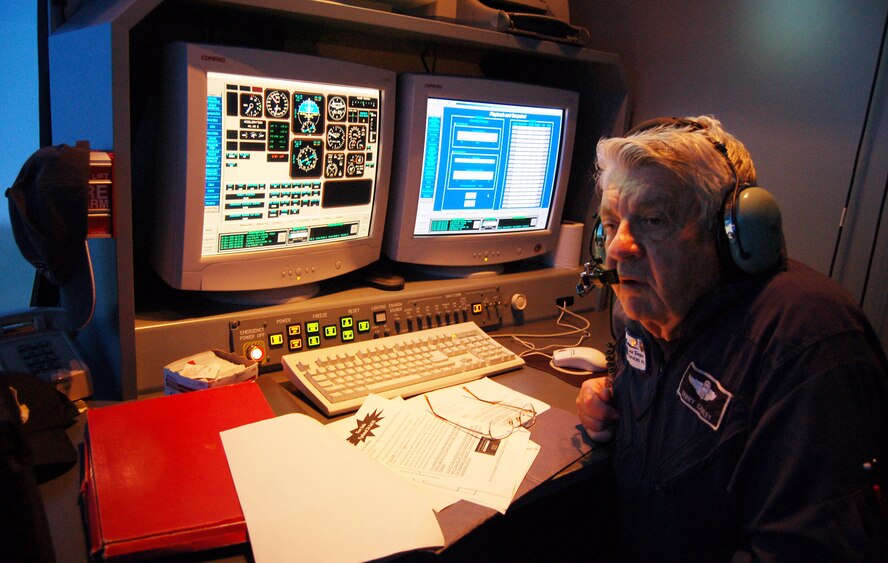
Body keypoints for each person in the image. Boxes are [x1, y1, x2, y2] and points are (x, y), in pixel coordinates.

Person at [575, 115, 888, 561]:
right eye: (610, 224)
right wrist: (610, 396)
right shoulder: (644, 309)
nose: (618, 247)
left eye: (654, 220)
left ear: (730, 232)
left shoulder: (808, 341)